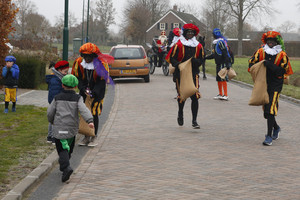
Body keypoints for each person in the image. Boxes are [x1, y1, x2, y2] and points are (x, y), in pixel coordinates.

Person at [248, 31, 293, 146]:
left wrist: (269, 65)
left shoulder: (282, 55)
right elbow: (251, 64)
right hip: (263, 83)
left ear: (276, 42)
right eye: (268, 40)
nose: (270, 42)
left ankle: (269, 136)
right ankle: (276, 127)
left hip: (276, 84)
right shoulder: (260, 52)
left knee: (270, 109)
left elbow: (282, 72)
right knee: (266, 113)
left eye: (272, 40)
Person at [47, 74, 94, 182]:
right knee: (69, 148)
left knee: (61, 149)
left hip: (59, 127)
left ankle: (66, 167)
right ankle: (65, 165)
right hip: (72, 128)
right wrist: (89, 120)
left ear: (62, 85)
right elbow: (84, 110)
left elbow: (50, 112)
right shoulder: (78, 98)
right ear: (76, 86)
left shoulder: (57, 98)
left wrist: (51, 121)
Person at [72, 42, 114, 147]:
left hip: (97, 92)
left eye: (89, 56)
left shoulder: (101, 64)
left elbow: (102, 81)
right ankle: (86, 136)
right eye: (85, 56)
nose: (86, 59)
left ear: (93, 56)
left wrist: (93, 92)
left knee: (94, 113)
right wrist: (82, 89)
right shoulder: (78, 63)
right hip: (84, 92)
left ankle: (94, 136)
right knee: (85, 113)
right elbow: (78, 78)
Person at [166, 23, 204, 129]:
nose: (190, 34)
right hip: (181, 74)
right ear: (185, 33)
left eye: (192, 32)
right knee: (182, 97)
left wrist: (196, 61)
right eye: (188, 32)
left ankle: (194, 121)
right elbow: (171, 58)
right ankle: (180, 113)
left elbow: (201, 59)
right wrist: (178, 65)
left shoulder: (198, 46)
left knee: (195, 96)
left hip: (193, 73)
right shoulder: (178, 44)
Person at [45, 61, 70, 144]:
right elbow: (56, 92)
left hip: (56, 101)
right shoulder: (56, 80)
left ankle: (50, 136)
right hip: (56, 102)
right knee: (56, 120)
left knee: (53, 119)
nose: (66, 73)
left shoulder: (58, 78)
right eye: (65, 71)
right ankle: (53, 137)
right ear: (59, 70)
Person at [205, 28, 232, 101]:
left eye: (213, 34)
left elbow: (225, 53)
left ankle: (225, 95)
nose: (212, 35)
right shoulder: (216, 43)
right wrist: (206, 58)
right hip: (218, 63)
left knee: (223, 78)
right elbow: (215, 54)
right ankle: (220, 94)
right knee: (218, 78)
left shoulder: (220, 42)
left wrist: (228, 64)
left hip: (222, 63)